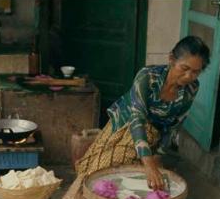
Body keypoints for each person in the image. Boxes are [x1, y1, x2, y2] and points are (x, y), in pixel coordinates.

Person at [75, 35, 210, 191]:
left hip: (153, 133)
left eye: (196, 72)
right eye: (184, 68)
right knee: (96, 168)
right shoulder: (148, 75)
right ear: (172, 59)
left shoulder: (192, 88)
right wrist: (148, 162)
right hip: (126, 122)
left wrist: (158, 156)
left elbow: (176, 124)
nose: (189, 76)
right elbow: (137, 117)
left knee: (128, 175)